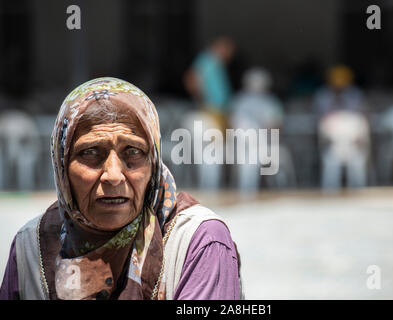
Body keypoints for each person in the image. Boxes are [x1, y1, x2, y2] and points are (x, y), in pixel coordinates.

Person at [0, 77, 242, 300]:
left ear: (154, 164)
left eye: (134, 152)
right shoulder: (31, 248)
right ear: (62, 166)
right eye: (91, 153)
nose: (113, 176)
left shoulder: (198, 241)